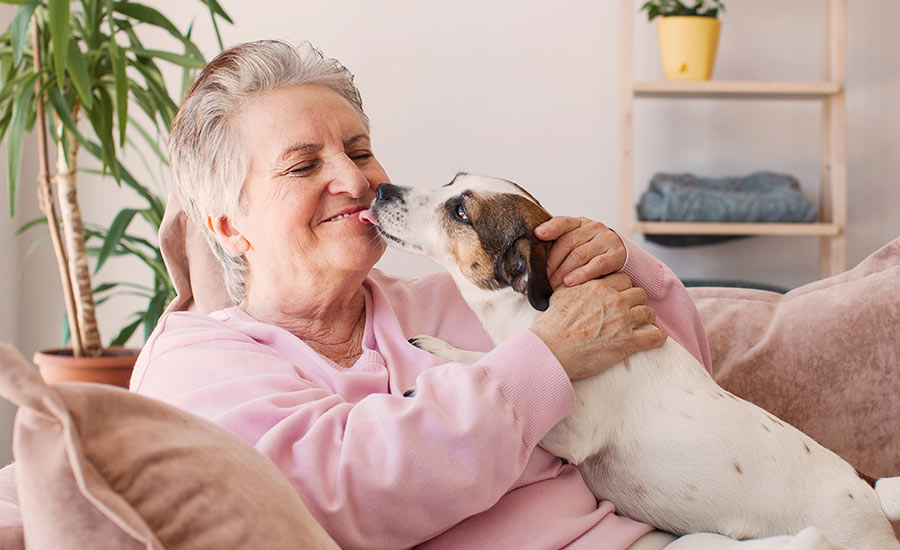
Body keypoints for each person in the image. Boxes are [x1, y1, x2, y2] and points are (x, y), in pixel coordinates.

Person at [131, 40, 839, 550]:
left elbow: (674, 403)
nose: (355, 181)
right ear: (228, 224)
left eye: (359, 148)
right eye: (303, 164)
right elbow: (343, 497)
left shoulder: (455, 299)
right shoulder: (198, 367)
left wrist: (620, 269)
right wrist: (548, 358)